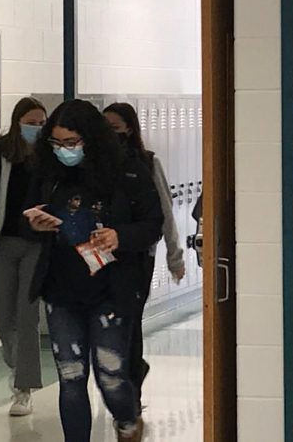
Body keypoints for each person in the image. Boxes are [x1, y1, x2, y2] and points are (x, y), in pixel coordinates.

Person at [24, 100, 162, 442]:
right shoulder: (48, 173)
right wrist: (36, 225)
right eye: (56, 143)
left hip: (110, 291)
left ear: (91, 139)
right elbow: (25, 217)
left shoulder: (128, 171)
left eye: (71, 143)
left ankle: (128, 421)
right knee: (71, 377)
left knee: (111, 375)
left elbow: (153, 224)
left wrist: (120, 236)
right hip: (62, 290)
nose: (63, 151)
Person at [103, 102, 186, 397]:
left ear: (130, 129)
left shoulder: (147, 163)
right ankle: (128, 373)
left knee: (130, 320)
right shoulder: (97, 165)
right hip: (103, 255)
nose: (110, 134)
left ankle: (131, 385)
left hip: (139, 256)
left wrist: (175, 257)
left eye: (115, 128)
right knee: (111, 322)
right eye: (105, 128)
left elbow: (165, 211)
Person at [0, 97, 48, 417]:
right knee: (3, 318)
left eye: (41, 124)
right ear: (17, 121)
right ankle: (17, 366)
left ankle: (23, 388)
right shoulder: (1, 153)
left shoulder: (50, 157)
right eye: (31, 122)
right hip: (4, 243)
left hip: (36, 245)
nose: (36, 129)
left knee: (27, 317)